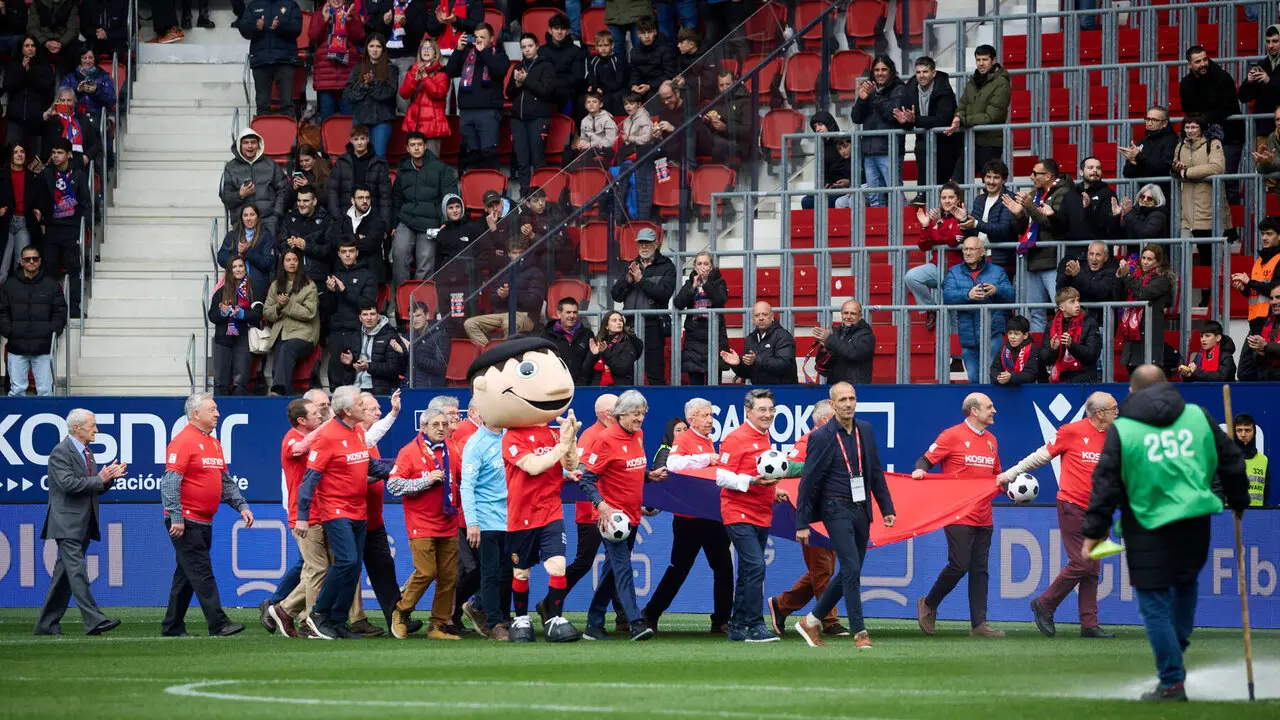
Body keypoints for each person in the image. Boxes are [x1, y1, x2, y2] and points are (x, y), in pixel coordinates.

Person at [1083, 365, 1249, 701]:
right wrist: (1239, 500)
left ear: (1131, 393)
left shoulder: (1124, 429)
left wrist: (1094, 532)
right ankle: (1175, 652)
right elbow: (1232, 460)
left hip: (1146, 524)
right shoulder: (1198, 416)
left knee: (1154, 601)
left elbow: (1106, 484)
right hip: (1194, 520)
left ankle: (1172, 680)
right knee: (1185, 584)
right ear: (1167, 386)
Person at [1000, 392, 1119, 640]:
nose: (1117, 413)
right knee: (1082, 563)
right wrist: (1011, 473)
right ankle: (1045, 604)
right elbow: (1040, 456)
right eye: (1113, 409)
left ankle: (1089, 623)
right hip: (1073, 506)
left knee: (1093, 568)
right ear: (1099, 414)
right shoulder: (1072, 431)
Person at [491, 342, 584, 644]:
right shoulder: (512, 438)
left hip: (551, 510)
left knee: (557, 564)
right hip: (521, 514)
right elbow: (532, 466)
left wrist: (571, 443)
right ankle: (520, 619)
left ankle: (555, 618)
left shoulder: (551, 432)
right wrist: (561, 447)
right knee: (521, 572)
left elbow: (569, 464)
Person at [793, 382, 896, 649]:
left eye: (852, 398)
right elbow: (808, 482)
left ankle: (811, 621)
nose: (848, 403)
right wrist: (802, 522)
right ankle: (860, 633)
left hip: (861, 507)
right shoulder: (822, 436)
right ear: (833, 404)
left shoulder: (866, 430)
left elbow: (875, 471)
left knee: (851, 570)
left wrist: (887, 508)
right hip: (834, 507)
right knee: (851, 568)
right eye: (842, 400)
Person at [294, 385, 391, 639]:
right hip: (335, 511)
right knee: (346, 561)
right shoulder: (326, 437)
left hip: (359, 510)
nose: (365, 407)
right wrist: (303, 517)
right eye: (360, 404)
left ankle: (337, 621)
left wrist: (399, 470)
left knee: (353, 565)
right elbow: (309, 481)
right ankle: (318, 614)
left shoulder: (358, 432)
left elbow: (369, 464)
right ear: (347, 410)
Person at [160, 393, 254, 637]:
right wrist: (176, 516)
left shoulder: (213, 443)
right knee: (201, 572)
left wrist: (241, 506)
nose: (217, 414)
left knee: (186, 575)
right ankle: (218, 623)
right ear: (195, 414)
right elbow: (170, 483)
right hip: (187, 521)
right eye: (212, 409)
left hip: (203, 520)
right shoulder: (183, 442)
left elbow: (224, 481)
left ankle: (172, 626)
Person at [913, 393, 1004, 638]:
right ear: (974, 411)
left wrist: (1009, 486)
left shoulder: (991, 440)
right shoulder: (951, 435)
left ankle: (979, 625)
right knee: (960, 564)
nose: (993, 410)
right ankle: (929, 603)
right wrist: (920, 471)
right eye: (989, 407)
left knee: (980, 570)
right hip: (958, 514)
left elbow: (996, 476)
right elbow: (925, 459)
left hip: (985, 515)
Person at [642, 397, 733, 634]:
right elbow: (673, 464)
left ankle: (721, 620)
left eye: (711, 415)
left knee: (724, 569)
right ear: (691, 419)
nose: (710, 419)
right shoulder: (684, 438)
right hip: (689, 519)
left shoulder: (708, 441)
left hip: (712, 517)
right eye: (705, 415)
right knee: (679, 569)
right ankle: (651, 613)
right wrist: (706, 459)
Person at [33, 409, 126, 636]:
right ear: (77, 428)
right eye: (92, 425)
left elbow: (90, 486)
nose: (96, 429)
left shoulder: (87, 453)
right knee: (77, 572)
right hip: (66, 523)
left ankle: (46, 625)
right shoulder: (60, 452)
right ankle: (94, 619)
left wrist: (109, 479)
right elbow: (68, 485)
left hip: (83, 521)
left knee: (64, 576)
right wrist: (100, 478)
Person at [578, 388, 659, 641]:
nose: (639, 419)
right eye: (635, 414)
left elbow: (628, 469)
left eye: (642, 414)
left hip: (634, 516)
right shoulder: (605, 439)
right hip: (613, 520)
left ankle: (593, 623)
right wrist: (601, 506)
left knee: (613, 570)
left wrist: (649, 475)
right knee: (623, 568)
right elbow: (587, 479)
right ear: (620, 415)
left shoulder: (638, 435)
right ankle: (635, 622)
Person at [716, 388, 788, 643]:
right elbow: (721, 476)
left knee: (749, 570)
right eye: (762, 409)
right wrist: (752, 481)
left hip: (761, 513)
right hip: (737, 512)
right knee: (756, 566)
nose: (768, 414)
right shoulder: (735, 438)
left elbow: (759, 475)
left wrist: (774, 489)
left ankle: (736, 626)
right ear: (748, 412)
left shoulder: (764, 438)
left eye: (771, 409)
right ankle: (756, 625)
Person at [768, 400, 845, 637]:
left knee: (826, 569)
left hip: (833, 512)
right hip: (811, 514)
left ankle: (782, 605)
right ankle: (829, 621)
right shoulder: (808, 441)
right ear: (824, 421)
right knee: (822, 568)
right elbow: (786, 467)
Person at [387, 407, 461, 640]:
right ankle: (401, 611)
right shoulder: (409, 452)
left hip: (448, 520)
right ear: (424, 427)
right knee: (427, 571)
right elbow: (394, 486)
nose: (441, 428)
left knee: (449, 576)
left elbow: (462, 479)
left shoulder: (452, 449)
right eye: (436, 424)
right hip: (421, 522)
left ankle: (437, 625)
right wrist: (424, 481)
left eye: (444, 424)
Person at [558, 393, 626, 632]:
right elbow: (583, 472)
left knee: (616, 563)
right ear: (608, 414)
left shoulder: (615, 435)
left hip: (612, 511)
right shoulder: (591, 436)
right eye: (620, 409)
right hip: (592, 512)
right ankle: (550, 600)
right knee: (585, 563)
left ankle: (623, 616)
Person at [261, 398, 324, 637]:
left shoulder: (310, 436)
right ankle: (308, 621)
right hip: (304, 514)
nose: (320, 417)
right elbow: (298, 449)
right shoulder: (292, 439)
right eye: (315, 414)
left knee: (315, 569)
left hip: (320, 510)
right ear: (301, 420)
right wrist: (325, 429)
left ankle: (285, 610)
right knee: (317, 568)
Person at [1013, 159, 1090, 334]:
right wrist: (1018, 214)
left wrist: (1030, 207)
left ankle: (1066, 349)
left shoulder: (1063, 193)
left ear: (1048, 176)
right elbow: (1020, 228)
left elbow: (1052, 225)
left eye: (1035, 173)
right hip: (1032, 260)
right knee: (1034, 313)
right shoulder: (1033, 194)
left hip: (1053, 260)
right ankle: (1038, 355)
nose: (1031, 176)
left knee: (1063, 308)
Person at [942, 235, 1015, 384]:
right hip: (968, 336)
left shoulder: (997, 271)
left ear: (982, 252)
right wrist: (968, 294)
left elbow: (1012, 296)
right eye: (965, 249)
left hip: (993, 333)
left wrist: (997, 290)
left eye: (972, 249)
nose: (968, 253)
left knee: (990, 376)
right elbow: (947, 296)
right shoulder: (954, 272)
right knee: (974, 378)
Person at [391, 130, 457, 292]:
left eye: (419, 144)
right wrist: (393, 224)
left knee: (426, 260)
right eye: (412, 145)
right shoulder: (403, 170)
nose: (416, 148)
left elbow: (450, 198)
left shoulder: (441, 169)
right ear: (407, 148)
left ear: (425, 146)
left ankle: (421, 301)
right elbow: (396, 199)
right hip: (406, 221)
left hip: (431, 222)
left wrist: (444, 222)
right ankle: (402, 298)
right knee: (398, 254)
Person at [610, 227, 676, 385]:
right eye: (641, 243)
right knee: (628, 371)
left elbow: (664, 293)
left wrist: (641, 281)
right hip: (630, 326)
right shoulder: (630, 266)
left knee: (654, 371)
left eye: (647, 243)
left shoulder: (667, 266)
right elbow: (615, 295)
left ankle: (659, 406)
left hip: (653, 326)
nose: (644, 247)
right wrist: (628, 281)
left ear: (656, 244)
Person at [1179, 45, 1243, 203]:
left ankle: (1233, 225)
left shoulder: (1222, 77)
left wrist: (1204, 117)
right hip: (1203, 137)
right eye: (1198, 61)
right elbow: (1188, 111)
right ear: (1190, 65)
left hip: (1229, 136)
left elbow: (1229, 107)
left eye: (1205, 59)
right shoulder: (1186, 84)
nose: (1202, 64)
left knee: (1227, 181)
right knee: (1205, 183)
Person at [0, 245, 65, 396]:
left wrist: (52, 330)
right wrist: (8, 331)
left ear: (40, 261)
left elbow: (60, 311)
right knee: (16, 391)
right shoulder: (10, 285)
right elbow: (2, 310)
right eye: (27, 259)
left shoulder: (51, 285)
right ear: (21, 262)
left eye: (34, 258)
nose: (31, 262)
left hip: (43, 348)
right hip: (16, 347)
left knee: (45, 392)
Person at [35, 138, 88, 319]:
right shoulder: (47, 174)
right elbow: (41, 199)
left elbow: (85, 203)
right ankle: (51, 307)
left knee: (74, 268)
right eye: (53, 153)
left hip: (71, 228)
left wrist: (80, 223)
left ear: (68, 154)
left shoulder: (78, 174)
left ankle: (74, 306)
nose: (55, 156)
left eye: (59, 153)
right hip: (52, 229)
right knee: (48, 269)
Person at [446, 22, 508, 170]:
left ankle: (492, 190)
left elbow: (499, 70)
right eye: (476, 37)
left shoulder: (499, 55)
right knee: (471, 155)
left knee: (489, 154)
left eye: (483, 37)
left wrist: (483, 52)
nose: (478, 40)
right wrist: (458, 50)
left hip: (488, 111)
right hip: (467, 111)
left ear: (492, 39)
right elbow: (450, 71)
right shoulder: (467, 53)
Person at [905, 182, 966, 330]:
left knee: (954, 315)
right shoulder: (935, 218)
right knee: (912, 276)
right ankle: (930, 308)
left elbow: (952, 241)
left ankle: (955, 349)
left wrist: (938, 222)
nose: (946, 200)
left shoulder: (963, 218)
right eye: (943, 197)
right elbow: (923, 246)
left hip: (957, 271)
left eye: (951, 197)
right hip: (937, 267)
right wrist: (926, 226)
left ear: (958, 199)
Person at [462, 239, 544, 345]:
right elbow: (492, 297)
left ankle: (504, 356)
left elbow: (534, 301)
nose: (518, 255)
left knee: (509, 323)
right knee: (470, 323)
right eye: (514, 253)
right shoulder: (503, 271)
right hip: (500, 313)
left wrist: (512, 294)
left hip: (525, 315)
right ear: (509, 254)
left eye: (521, 252)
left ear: (526, 253)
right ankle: (491, 354)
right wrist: (502, 295)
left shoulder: (535, 272)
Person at [850, 55, 907, 207]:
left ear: (891, 71)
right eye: (876, 70)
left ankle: (902, 228)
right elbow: (856, 118)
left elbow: (892, 113)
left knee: (895, 195)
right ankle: (882, 230)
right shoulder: (869, 92)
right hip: (869, 153)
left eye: (884, 69)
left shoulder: (899, 88)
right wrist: (862, 99)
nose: (880, 73)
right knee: (875, 199)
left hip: (889, 151)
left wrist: (873, 96)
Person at [947, 45, 1010, 178]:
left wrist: (963, 120)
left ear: (993, 61)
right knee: (956, 183)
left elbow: (991, 116)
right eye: (978, 60)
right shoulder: (973, 81)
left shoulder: (1001, 83)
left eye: (985, 59)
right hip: (970, 140)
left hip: (990, 144)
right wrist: (958, 116)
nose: (981, 63)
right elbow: (962, 104)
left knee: (990, 185)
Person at [263, 248, 319, 395]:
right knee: (278, 365)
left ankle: (278, 390)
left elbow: (310, 313)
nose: (292, 263)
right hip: (281, 334)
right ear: (282, 264)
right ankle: (283, 398)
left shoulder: (309, 285)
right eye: (288, 260)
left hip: (304, 335)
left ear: (299, 263)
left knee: (287, 349)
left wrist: (287, 305)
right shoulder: (276, 285)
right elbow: (267, 312)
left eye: (295, 260)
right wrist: (279, 307)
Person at [896, 56, 960, 186]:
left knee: (944, 183)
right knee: (921, 154)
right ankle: (922, 194)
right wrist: (904, 122)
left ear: (933, 73)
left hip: (946, 141)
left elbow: (942, 120)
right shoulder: (910, 89)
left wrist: (915, 120)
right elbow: (909, 121)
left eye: (925, 72)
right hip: (923, 141)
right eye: (918, 72)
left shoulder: (944, 89)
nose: (921, 76)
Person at [1172, 114, 1231, 251]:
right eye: (1187, 127)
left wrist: (1187, 173)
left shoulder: (1213, 143)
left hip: (1208, 209)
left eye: (1193, 127)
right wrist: (1176, 169)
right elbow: (1174, 167)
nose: (1189, 130)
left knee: (1209, 254)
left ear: (1201, 128)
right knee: (1183, 255)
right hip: (1186, 212)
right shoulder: (1180, 146)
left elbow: (1217, 167)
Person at [325, 240, 377, 389]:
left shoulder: (367, 275)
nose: (347, 255)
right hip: (336, 329)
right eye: (344, 252)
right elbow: (327, 309)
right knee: (335, 376)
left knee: (353, 375)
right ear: (339, 254)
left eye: (351, 251)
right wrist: (329, 293)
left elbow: (367, 304)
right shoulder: (334, 275)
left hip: (357, 330)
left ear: (357, 253)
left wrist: (344, 291)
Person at [208, 256, 263, 396]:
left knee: (241, 381)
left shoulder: (253, 289)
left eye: (240, 266)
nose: (238, 269)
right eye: (234, 267)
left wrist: (242, 314)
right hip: (222, 339)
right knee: (220, 382)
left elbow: (258, 315)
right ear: (229, 270)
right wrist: (222, 313)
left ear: (245, 269)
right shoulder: (221, 291)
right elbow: (212, 316)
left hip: (243, 338)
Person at [506, 32, 556, 187]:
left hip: (538, 117)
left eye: (530, 46)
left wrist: (526, 80)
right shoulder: (518, 66)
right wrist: (517, 85)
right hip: (518, 119)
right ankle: (524, 195)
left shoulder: (546, 65)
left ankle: (540, 196)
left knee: (537, 160)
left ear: (537, 46)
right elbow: (509, 93)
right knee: (522, 161)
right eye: (523, 47)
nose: (527, 49)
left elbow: (547, 90)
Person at [1116, 244, 1175, 375]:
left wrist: (1127, 276)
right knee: (1132, 375)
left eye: (1150, 259)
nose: (1145, 262)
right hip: (1132, 336)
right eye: (1143, 258)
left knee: (1147, 379)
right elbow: (1120, 296)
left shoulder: (1162, 280)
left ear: (1158, 261)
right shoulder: (1137, 276)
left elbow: (1143, 293)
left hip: (1149, 334)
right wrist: (1121, 277)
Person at [958, 158, 1022, 279]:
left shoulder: (1009, 199)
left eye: (996, 177)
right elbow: (972, 233)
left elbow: (1003, 230)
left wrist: (976, 223)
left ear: (1003, 180)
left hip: (1000, 259)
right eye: (988, 177)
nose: (991, 181)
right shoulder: (979, 199)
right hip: (979, 258)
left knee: (997, 296)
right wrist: (963, 220)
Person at [238, 0, 303, 117]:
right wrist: (256, 27)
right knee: (262, 105)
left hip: (285, 61)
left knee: (287, 105)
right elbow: (243, 28)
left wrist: (280, 27)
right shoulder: (253, 5)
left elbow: (297, 28)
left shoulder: (290, 4)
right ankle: (263, 134)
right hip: (261, 61)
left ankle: (288, 134)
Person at [220, 128, 289, 237]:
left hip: (268, 220)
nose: (250, 146)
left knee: (267, 253)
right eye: (246, 143)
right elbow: (226, 197)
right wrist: (240, 195)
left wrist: (276, 215)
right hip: (241, 221)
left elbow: (283, 190)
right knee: (243, 253)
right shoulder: (230, 167)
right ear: (239, 145)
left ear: (259, 144)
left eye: (253, 142)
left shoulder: (271, 165)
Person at [673, 251, 728, 385]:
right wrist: (693, 287)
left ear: (711, 267)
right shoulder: (689, 283)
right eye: (699, 263)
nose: (702, 266)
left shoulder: (719, 282)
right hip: (694, 336)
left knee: (714, 382)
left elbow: (720, 300)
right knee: (695, 384)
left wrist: (706, 283)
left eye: (706, 263)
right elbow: (678, 303)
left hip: (715, 334)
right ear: (694, 267)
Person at [327, 125, 394, 233]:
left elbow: (385, 196)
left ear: (368, 139)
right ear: (351, 140)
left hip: (372, 216)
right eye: (356, 139)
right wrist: (337, 216)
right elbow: (332, 190)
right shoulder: (341, 162)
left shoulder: (379, 163)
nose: (359, 142)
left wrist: (384, 224)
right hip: (346, 215)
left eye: (362, 138)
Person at [308, 0, 366, 121]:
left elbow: (359, 35)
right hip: (326, 74)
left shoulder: (351, 12)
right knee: (327, 118)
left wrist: (350, 20)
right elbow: (313, 37)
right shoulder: (319, 13)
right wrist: (324, 20)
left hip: (347, 73)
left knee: (348, 119)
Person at [345, 34, 400, 157]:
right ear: (367, 48)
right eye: (371, 46)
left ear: (383, 49)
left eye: (378, 46)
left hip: (382, 118)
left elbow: (389, 94)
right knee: (360, 156)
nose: (375, 50)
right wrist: (364, 86)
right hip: (360, 118)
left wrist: (372, 83)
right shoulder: (358, 68)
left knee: (378, 156)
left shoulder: (391, 69)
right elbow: (348, 95)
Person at [3, 38, 56, 159]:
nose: (30, 48)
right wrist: (21, 70)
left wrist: (30, 73)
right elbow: (8, 86)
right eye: (27, 45)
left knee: (35, 157)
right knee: (11, 154)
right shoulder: (13, 65)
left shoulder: (44, 66)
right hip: (15, 118)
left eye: (33, 45)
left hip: (36, 118)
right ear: (21, 48)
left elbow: (48, 88)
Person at [721, 301, 798, 385]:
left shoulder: (783, 336)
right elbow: (747, 373)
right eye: (757, 315)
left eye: (765, 314)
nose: (761, 318)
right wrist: (737, 364)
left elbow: (784, 365)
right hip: (758, 392)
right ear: (753, 319)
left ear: (772, 316)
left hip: (782, 391)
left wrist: (756, 360)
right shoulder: (750, 339)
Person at [1121, 105, 1177, 216]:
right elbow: (1127, 174)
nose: (1149, 123)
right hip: (1143, 197)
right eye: (1147, 119)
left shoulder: (1172, 141)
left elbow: (1164, 168)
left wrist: (1139, 157)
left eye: (1154, 120)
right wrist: (1133, 163)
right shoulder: (1142, 142)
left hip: (1164, 198)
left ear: (1165, 123)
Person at [400, 37, 451, 155]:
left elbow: (437, 93)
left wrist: (425, 77)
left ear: (435, 53)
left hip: (433, 125)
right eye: (423, 47)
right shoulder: (413, 70)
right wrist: (415, 81)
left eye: (430, 48)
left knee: (431, 164)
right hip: (415, 123)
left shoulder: (442, 72)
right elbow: (404, 93)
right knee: (414, 163)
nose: (426, 50)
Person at [1042, 287, 1102, 384]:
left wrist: (1072, 345)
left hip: (1084, 379)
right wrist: (1053, 349)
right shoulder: (1051, 326)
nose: (1077, 305)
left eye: (1078, 301)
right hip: (1060, 379)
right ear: (1062, 307)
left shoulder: (1089, 322)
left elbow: (1093, 355)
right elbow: (1045, 359)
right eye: (1072, 302)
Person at [1232, 217, 1280, 335]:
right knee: (1247, 354)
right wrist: (1245, 289)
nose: (1264, 238)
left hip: (1272, 322)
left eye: (1269, 234)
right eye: (1263, 234)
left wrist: (1249, 283)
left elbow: (1275, 289)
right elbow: (1256, 292)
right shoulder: (1259, 261)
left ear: (1279, 236)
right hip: (1255, 322)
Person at [0, 143, 39, 286]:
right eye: (15, 152)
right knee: (3, 264)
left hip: (24, 223)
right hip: (5, 222)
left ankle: (16, 296)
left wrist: (39, 211)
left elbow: (41, 200)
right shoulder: (2, 175)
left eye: (22, 151)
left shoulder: (33, 177)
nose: (19, 154)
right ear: (10, 155)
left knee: (22, 262)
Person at [217, 204, 278, 291]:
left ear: (257, 217)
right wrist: (237, 256)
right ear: (241, 218)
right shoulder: (232, 235)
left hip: (257, 286)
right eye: (245, 215)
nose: (249, 218)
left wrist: (247, 252)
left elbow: (268, 263)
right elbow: (221, 257)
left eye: (252, 215)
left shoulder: (266, 236)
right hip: (233, 285)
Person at [814, 300, 875, 385]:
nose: (848, 316)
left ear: (860, 316)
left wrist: (829, 340)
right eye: (845, 313)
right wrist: (824, 349)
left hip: (856, 388)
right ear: (841, 314)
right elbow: (822, 368)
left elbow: (852, 352)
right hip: (834, 387)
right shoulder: (835, 333)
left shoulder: (866, 334)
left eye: (853, 313)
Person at [538, 13, 587, 115]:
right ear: (550, 30)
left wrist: (560, 83)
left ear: (568, 31)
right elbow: (540, 74)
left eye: (563, 29)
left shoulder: (576, 51)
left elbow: (577, 76)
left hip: (568, 89)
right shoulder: (542, 51)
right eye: (556, 28)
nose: (559, 32)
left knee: (572, 94)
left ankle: (568, 125)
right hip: (548, 88)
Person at [542, 296, 593, 384]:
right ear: (559, 313)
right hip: (557, 387)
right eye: (568, 312)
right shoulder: (546, 336)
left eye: (575, 312)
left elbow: (591, 364)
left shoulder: (587, 334)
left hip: (582, 388)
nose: (572, 316)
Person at [584, 309, 643, 385]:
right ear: (606, 326)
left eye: (621, 320)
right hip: (598, 387)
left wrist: (605, 352)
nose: (619, 323)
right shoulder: (599, 341)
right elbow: (585, 371)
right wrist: (594, 355)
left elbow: (622, 368)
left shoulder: (628, 342)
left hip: (619, 387)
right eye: (614, 320)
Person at [403, 301, 449, 388]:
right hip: (410, 386)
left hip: (430, 388)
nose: (415, 320)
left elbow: (440, 368)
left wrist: (411, 353)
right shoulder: (408, 336)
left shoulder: (440, 335)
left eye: (418, 315)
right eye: (411, 317)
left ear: (427, 315)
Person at [28, 0, 80, 75]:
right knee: (31, 43)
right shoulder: (36, 3)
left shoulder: (71, 4)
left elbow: (73, 30)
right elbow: (32, 28)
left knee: (76, 46)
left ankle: (68, 80)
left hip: (64, 40)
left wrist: (60, 43)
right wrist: (45, 42)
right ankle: (40, 78)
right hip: (43, 39)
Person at [628, 16, 673, 99]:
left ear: (655, 32)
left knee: (652, 96)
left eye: (649, 32)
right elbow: (635, 72)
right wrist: (633, 85)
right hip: (642, 87)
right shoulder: (634, 51)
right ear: (638, 34)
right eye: (643, 33)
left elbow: (669, 74)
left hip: (660, 86)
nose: (647, 36)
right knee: (629, 98)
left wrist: (650, 86)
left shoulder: (665, 49)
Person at [586, 30, 629, 117]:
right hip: (601, 91)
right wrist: (595, 87)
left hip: (617, 90)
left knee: (615, 98)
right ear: (596, 47)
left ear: (612, 46)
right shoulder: (593, 61)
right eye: (600, 46)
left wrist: (603, 89)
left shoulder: (618, 59)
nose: (603, 48)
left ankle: (619, 122)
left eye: (606, 45)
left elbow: (620, 82)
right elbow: (592, 78)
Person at [1077, 156, 1121, 241]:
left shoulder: (1108, 194)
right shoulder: (1074, 192)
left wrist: (1089, 208)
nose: (1095, 170)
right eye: (1090, 167)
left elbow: (1108, 226)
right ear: (1081, 172)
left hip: (1099, 246)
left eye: (1098, 168)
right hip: (1075, 248)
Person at [1244, 284, 1280, 380]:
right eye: (1271, 298)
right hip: (1268, 379)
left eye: (1278, 297)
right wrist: (1260, 351)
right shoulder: (1269, 322)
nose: (1274, 302)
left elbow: (1267, 347)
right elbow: (1259, 357)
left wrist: (1265, 347)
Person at [1234, 413, 1271, 507]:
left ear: (1254, 432)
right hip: (1230, 516)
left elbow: (1265, 493)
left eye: (1247, 430)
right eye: (1239, 430)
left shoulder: (1263, 460)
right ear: (1234, 433)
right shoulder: (1225, 459)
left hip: (1256, 516)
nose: (1243, 434)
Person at [990, 315, 1037, 387]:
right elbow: (994, 371)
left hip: (1028, 392)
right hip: (1005, 391)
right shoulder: (1003, 349)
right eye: (1010, 333)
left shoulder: (1032, 349)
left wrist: (1011, 377)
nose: (1012, 337)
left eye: (1016, 334)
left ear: (1025, 335)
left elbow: (1030, 375)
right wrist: (999, 377)